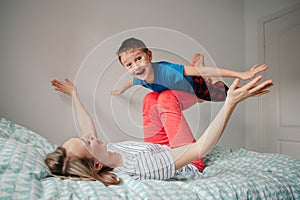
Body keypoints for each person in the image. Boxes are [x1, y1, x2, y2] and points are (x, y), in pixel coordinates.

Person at [46, 76, 273, 186]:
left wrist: (74, 94)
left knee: (151, 99)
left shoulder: (106, 153)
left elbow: (87, 127)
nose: (89, 136)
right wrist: (230, 103)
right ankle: (203, 96)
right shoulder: (139, 168)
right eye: (87, 143)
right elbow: (199, 148)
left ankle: (195, 97)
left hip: (158, 149)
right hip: (186, 159)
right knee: (166, 99)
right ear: (96, 165)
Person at [110, 37, 268, 171]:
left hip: (197, 88)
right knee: (150, 99)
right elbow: (128, 82)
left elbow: (205, 72)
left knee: (223, 93)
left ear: (149, 55)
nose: (136, 67)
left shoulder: (167, 70)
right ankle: (158, 154)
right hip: (178, 92)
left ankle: (192, 160)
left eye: (139, 58)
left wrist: (241, 74)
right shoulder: (138, 77)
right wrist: (119, 91)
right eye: (129, 64)